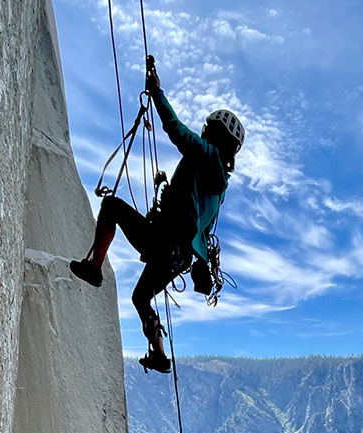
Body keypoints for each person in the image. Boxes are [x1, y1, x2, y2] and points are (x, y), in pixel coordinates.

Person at [70, 66, 245, 374]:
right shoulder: (220, 188)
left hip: (164, 242)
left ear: (213, 134)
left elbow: (176, 130)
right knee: (141, 297)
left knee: (110, 207)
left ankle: (93, 268)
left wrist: (156, 92)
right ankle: (160, 355)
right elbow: (197, 223)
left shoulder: (205, 153)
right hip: (180, 257)